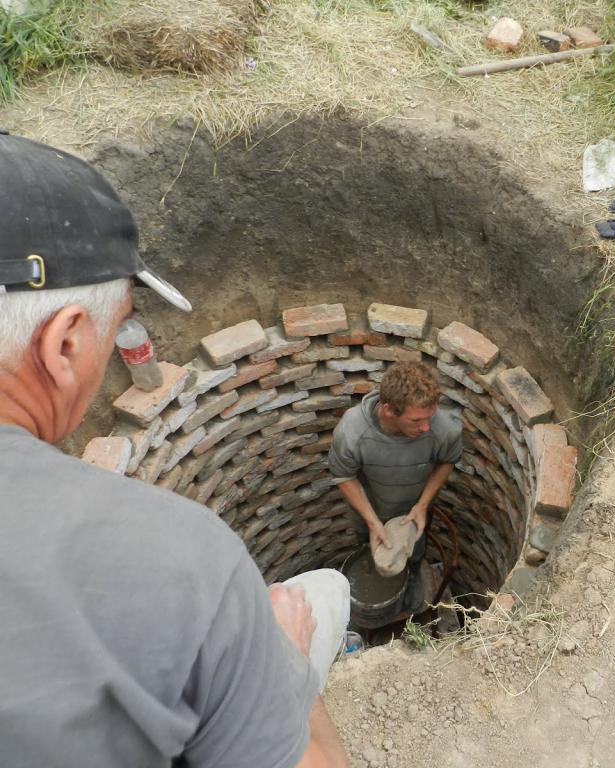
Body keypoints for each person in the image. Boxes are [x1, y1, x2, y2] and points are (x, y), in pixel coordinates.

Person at [0, 131, 349, 768]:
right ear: (65, 344)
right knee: (324, 593)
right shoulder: (177, 566)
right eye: (122, 321)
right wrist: (284, 664)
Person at [328, 361, 463, 610]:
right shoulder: (353, 431)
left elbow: (447, 461)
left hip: (413, 513)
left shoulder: (442, 427)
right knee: (372, 550)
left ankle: (410, 580)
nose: (425, 428)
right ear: (388, 410)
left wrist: (422, 505)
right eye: (416, 421)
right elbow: (343, 476)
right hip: (371, 509)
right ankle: (378, 581)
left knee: (414, 552)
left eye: (429, 417)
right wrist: (371, 521)